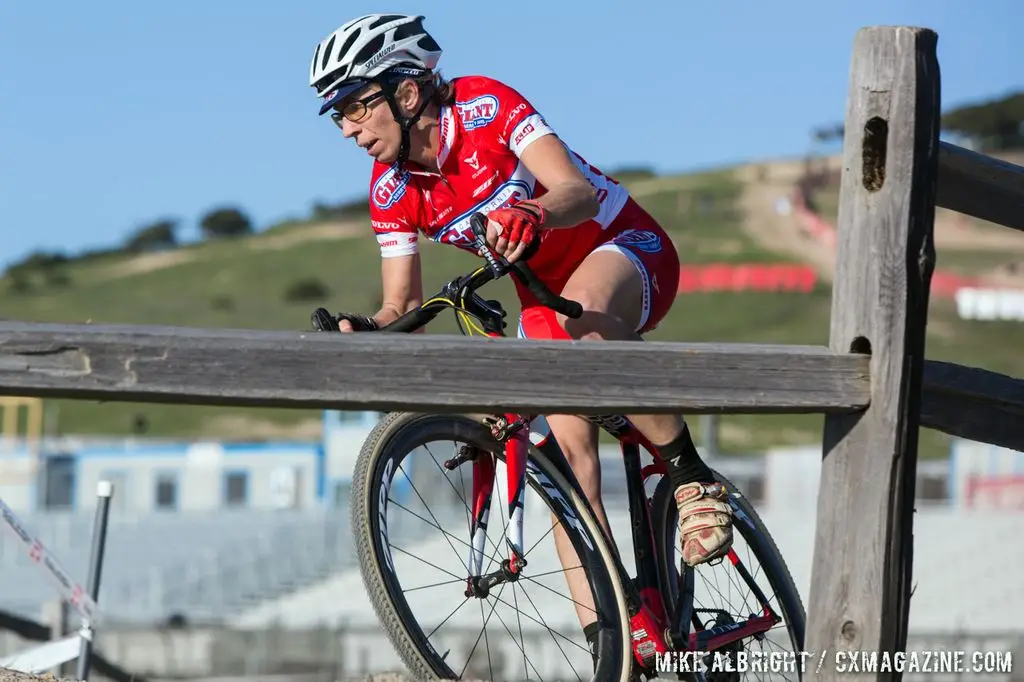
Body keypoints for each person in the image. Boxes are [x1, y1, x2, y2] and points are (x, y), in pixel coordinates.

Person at [307, 12, 734, 655]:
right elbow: (402, 304)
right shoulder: (390, 189)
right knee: (568, 465)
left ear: (407, 90)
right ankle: (614, 637)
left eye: (357, 106)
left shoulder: (484, 105)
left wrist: (532, 209)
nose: (348, 128)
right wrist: (364, 331)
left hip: (624, 248)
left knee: (581, 317)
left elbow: (575, 192)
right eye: (337, 115)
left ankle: (691, 477)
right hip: (541, 299)